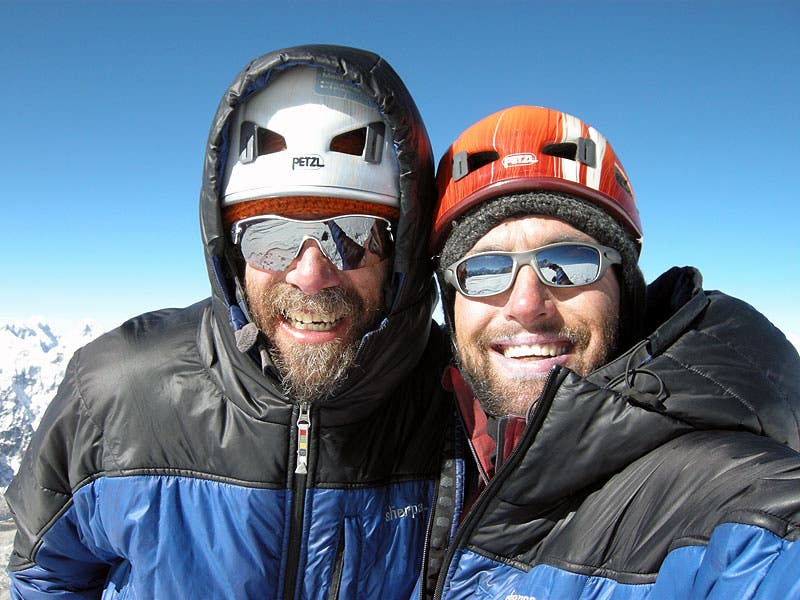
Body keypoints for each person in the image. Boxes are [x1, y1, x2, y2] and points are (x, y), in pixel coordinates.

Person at [5, 45, 452, 598]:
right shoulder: (114, 391)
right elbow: (47, 574)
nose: (310, 275)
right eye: (269, 235)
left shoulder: (459, 407)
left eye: (355, 235)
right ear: (230, 251)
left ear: (402, 250)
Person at [420, 105, 800, 598]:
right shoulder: (431, 443)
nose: (526, 304)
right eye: (485, 269)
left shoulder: (740, 503)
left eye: (569, 261)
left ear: (625, 287)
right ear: (452, 303)